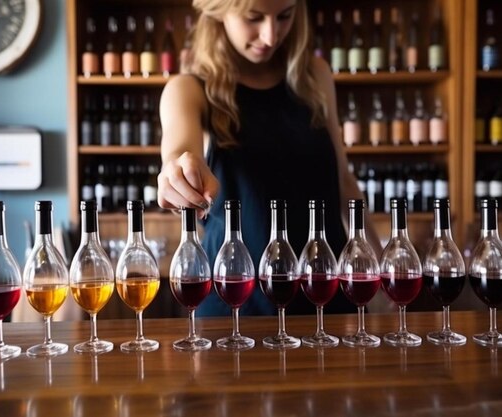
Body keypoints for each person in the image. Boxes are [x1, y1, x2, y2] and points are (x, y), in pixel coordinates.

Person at [158, 0, 383, 316]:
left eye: (285, 16)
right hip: (236, 303)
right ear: (218, 10)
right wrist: (177, 172)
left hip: (327, 296)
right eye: (254, 18)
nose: (271, 35)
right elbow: (179, 152)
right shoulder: (188, 89)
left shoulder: (315, 77)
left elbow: (343, 182)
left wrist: (381, 268)